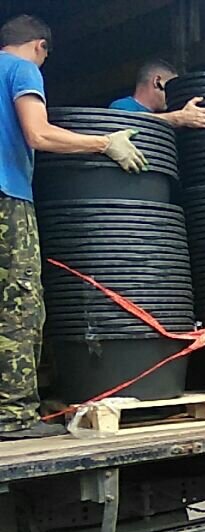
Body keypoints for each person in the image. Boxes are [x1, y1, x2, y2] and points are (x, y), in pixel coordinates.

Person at [0, 14, 146, 440]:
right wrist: (104, 143)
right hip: (7, 198)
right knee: (19, 307)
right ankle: (12, 417)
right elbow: (38, 134)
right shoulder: (21, 69)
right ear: (39, 46)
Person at [109, 58, 205, 129]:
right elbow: (128, 123)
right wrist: (179, 118)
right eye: (171, 87)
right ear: (157, 82)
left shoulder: (164, 117)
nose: (173, 94)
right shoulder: (122, 106)